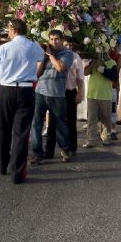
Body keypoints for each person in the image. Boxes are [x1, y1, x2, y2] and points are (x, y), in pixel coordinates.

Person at [0, 19, 45, 184]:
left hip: (6, 89)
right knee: (21, 132)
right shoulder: (33, 46)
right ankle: (17, 173)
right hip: (26, 89)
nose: (8, 32)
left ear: (13, 29)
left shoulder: (4, 48)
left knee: (3, 128)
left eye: (8, 29)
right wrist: (35, 75)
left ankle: (2, 165)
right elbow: (42, 59)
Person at [31, 30, 75, 165]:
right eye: (51, 39)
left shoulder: (68, 54)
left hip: (57, 94)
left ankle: (65, 149)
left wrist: (50, 55)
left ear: (61, 40)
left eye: (56, 39)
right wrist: (43, 57)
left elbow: (60, 67)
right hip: (40, 92)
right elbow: (37, 74)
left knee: (60, 124)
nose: (53, 42)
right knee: (36, 124)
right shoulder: (45, 54)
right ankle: (37, 153)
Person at [45, 37, 84, 158]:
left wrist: (79, 93)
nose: (68, 47)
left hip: (69, 92)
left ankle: (72, 148)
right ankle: (49, 151)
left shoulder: (75, 57)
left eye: (70, 45)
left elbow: (80, 78)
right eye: (66, 45)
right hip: (55, 92)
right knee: (52, 122)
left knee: (71, 122)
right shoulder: (54, 55)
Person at [82, 54, 118, 148]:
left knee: (105, 119)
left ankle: (106, 138)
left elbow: (114, 77)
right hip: (92, 95)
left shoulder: (112, 62)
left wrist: (103, 70)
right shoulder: (92, 61)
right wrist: (93, 63)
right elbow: (85, 72)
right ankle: (91, 140)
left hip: (105, 95)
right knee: (91, 119)